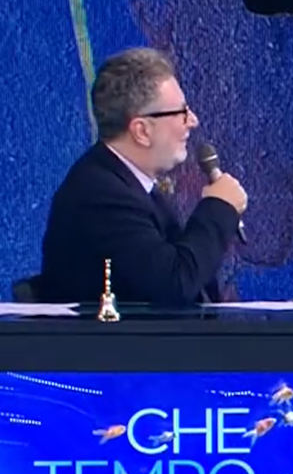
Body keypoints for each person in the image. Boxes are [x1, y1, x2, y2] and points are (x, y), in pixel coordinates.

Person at [38, 48, 248, 306]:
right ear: (142, 131)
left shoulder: (133, 186)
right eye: (181, 112)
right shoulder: (100, 196)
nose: (193, 121)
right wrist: (218, 208)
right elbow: (173, 286)